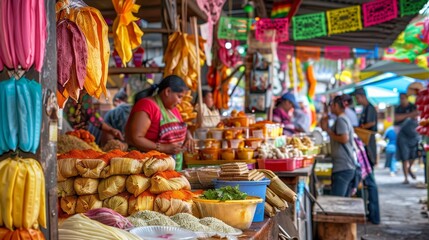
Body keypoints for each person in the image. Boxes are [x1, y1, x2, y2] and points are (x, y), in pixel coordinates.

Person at [125, 75, 195, 171]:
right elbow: (136, 138)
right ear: (167, 91)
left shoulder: (173, 109)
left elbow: (181, 127)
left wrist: (189, 137)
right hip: (147, 168)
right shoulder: (147, 105)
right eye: (179, 97)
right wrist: (164, 148)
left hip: (170, 167)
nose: (180, 102)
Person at [353, 88, 380, 225]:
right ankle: (372, 213)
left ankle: (375, 216)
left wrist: (359, 127)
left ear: (362, 96)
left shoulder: (370, 108)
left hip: (369, 148)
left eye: (358, 98)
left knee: (371, 183)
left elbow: (371, 124)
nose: (357, 101)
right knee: (369, 183)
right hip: (367, 147)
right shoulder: (365, 108)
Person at [320, 96, 356, 197]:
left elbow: (344, 138)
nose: (330, 107)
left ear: (336, 105)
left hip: (343, 167)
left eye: (331, 105)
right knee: (341, 201)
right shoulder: (341, 119)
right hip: (344, 166)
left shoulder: (341, 120)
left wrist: (329, 133)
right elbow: (325, 128)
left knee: (337, 200)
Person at [394, 93, 420, 184]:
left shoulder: (413, 106)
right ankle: (406, 177)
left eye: (403, 98)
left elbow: (417, 114)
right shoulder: (398, 108)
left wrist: (405, 116)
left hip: (413, 134)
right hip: (403, 135)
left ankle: (409, 168)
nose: (402, 100)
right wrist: (410, 115)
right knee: (404, 156)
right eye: (401, 98)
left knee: (414, 154)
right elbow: (397, 118)